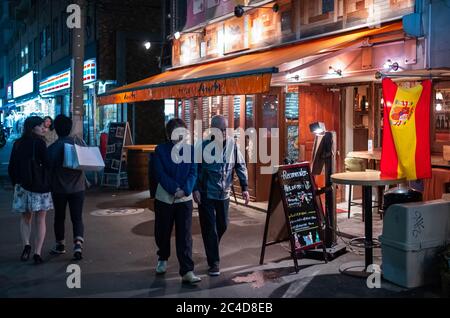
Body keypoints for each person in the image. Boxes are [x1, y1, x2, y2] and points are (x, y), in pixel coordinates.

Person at [193, 115, 250, 276]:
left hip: (224, 194)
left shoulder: (233, 145)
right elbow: (195, 170)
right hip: (206, 194)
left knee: (223, 225)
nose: (223, 132)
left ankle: (211, 247)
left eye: (225, 129)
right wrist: (195, 189)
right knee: (209, 228)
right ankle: (214, 263)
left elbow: (240, 165)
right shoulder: (202, 146)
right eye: (219, 129)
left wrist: (245, 187)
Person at [153, 118, 200, 285]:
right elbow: (160, 174)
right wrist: (175, 189)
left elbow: (194, 172)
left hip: (184, 199)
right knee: (162, 231)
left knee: (185, 236)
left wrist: (186, 190)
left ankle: (187, 270)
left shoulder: (191, 150)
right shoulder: (160, 150)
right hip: (164, 198)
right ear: (168, 134)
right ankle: (163, 257)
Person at [8, 116, 53, 264]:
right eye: (40, 126)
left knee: (26, 218)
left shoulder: (18, 143)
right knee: (40, 219)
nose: (43, 128)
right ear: (33, 127)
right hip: (39, 187)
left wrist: (16, 183)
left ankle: (26, 244)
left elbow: (12, 167)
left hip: (22, 187)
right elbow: (47, 164)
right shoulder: (39, 143)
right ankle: (37, 253)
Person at [47, 115, 86, 260]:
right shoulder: (79, 143)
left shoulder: (52, 148)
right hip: (78, 188)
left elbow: (48, 168)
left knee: (59, 217)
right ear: (70, 128)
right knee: (77, 218)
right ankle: (78, 245)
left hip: (59, 189)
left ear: (56, 129)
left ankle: (60, 245)